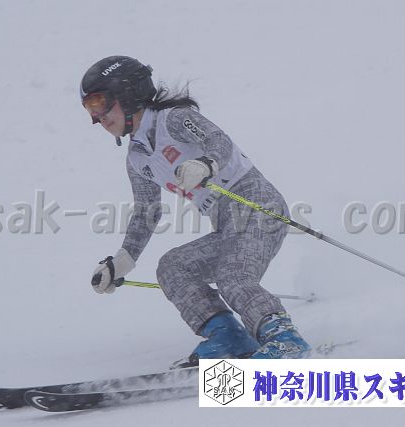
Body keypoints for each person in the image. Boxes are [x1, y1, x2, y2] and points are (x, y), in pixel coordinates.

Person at [83, 56, 310, 365]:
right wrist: (122, 260)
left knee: (232, 274)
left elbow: (218, 140)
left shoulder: (174, 120)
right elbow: (147, 211)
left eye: (99, 103)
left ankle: (286, 341)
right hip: (226, 224)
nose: (97, 117)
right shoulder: (137, 158)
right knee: (174, 267)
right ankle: (229, 338)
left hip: (257, 205)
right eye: (89, 108)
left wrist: (207, 164)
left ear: (127, 93)